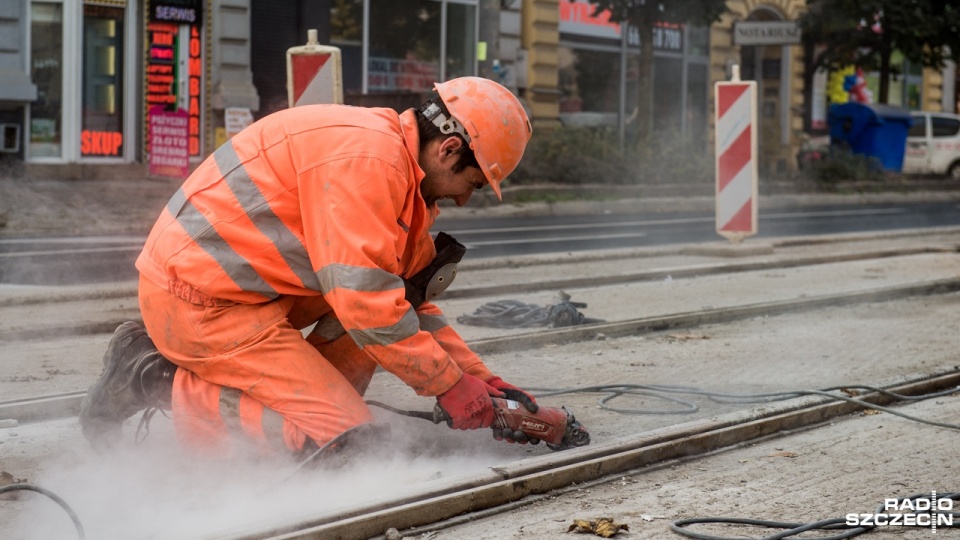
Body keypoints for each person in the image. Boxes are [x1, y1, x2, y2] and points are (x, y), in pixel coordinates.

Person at [79, 76, 538, 458]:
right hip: (198, 304)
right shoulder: (367, 162)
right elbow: (367, 306)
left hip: (253, 295)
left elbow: (403, 301)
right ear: (449, 148)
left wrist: (479, 380)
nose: (463, 198)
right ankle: (149, 376)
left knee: (395, 301)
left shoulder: (399, 171)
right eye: (472, 183)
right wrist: (448, 386)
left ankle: (312, 401)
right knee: (337, 442)